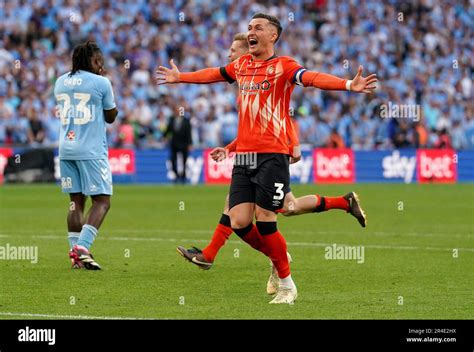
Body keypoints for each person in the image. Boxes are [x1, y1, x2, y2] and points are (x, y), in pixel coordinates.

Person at [157, 14, 377, 304]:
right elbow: (213, 73)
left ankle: (287, 285)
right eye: (249, 28)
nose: (251, 31)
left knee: (268, 218)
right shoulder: (242, 66)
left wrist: (348, 84)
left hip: (272, 155)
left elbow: (312, 78)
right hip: (245, 157)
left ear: (273, 36)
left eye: (258, 27)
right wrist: (180, 77)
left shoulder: (283, 66)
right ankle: (279, 253)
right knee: (238, 221)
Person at [54, 41, 118, 270]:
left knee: (75, 203)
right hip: (91, 150)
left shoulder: (60, 81)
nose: (101, 65)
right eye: (97, 61)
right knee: (102, 201)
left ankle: (75, 256)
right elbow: (111, 116)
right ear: (88, 61)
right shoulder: (102, 82)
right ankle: (82, 247)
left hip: (66, 149)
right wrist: (106, 89)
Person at [164, 106, 193, 183]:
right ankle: (176, 174)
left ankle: (183, 176)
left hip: (184, 143)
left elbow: (189, 133)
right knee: (173, 160)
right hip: (174, 143)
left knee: (184, 161)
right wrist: (164, 136)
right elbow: (168, 130)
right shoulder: (172, 120)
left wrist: (190, 144)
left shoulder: (186, 121)